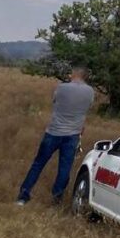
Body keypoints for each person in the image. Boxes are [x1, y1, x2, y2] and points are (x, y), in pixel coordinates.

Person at [16, 64, 95, 206]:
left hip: (54, 132)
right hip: (73, 134)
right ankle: (56, 198)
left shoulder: (62, 87)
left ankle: (23, 195)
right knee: (64, 168)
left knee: (38, 164)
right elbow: (86, 109)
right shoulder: (90, 92)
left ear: (75, 74)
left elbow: (55, 101)